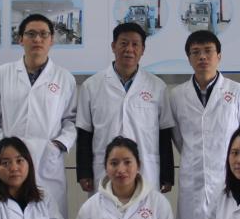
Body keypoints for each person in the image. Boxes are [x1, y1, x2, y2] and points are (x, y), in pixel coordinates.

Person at [170, 31, 240, 219]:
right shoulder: (177, 95)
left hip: (229, 181)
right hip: (193, 184)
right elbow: (179, 139)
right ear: (188, 58)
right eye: (195, 52)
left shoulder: (237, 92)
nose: (202, 57)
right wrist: (199, 158)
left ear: (219, 56)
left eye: (208, 51)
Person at [0, 14, 77, 219]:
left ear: (52, 40)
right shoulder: (2, 74)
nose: (37, 39)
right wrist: (1, 146)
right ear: (20, 39)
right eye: (31, 34)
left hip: (48, 162)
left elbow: (71, 120)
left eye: (43, 34)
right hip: (11, 165)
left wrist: (58, 145)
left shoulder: (64, 78)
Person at [75, 22, 175, 194]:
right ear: (113, 46)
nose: (129, 49)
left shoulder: (157, 87)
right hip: (105, 169)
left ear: (142, 50)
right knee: (106, 209)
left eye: (135, 44)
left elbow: (164, 134)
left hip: (146, 169)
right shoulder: (91, 86)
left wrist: (167, 175)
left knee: (144, 209)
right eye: (123, 43)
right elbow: (84, 133)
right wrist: (84, 172)